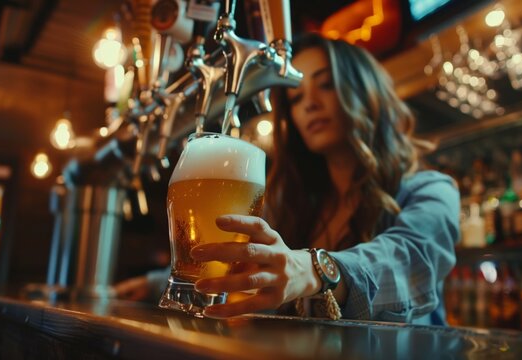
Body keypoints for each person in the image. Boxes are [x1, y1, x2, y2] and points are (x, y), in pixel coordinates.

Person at [116, 33, 460, 324]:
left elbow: (414, 260)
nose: (309, 103)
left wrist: (314, 270)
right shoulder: (297, 201)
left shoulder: (430, 189)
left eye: (326, 85)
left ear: (366, 92)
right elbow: (247, 265)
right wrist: (153, 283)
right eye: (295, 97)